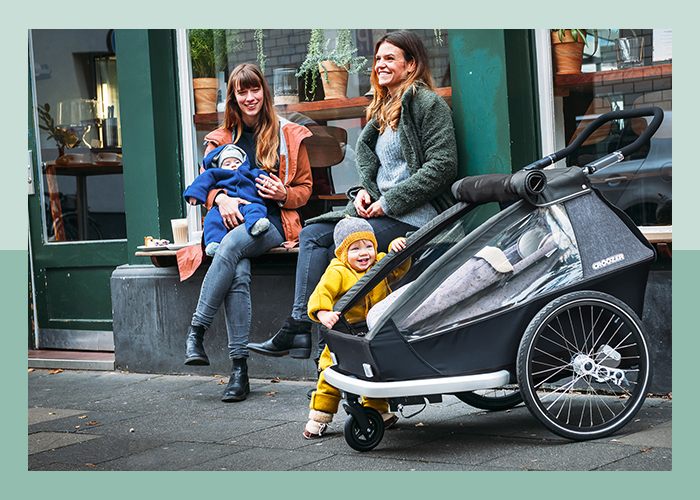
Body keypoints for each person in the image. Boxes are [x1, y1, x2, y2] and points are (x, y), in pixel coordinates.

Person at [248, 30, 458, 362]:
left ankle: (325, 357)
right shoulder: (382, 109)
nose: (380, 65)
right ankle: (302, 325)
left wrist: (387, 202)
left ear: (412, 64)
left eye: (390, 58)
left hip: (414, 217)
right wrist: (361, 193)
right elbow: (377, 173)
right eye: (377, 59)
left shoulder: (427, 104)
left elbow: (442, 166)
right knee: (313, 233)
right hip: (381, 213)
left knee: (340, 248)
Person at [180, 63, 314, 403]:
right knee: (236, 269)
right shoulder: (220, 139)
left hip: (270, 223)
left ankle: (196, 332)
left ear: (264, 93)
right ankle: (240, 370)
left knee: (228, 251)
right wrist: (221, 198)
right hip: (228, 222)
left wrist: (283, 194)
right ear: (233, 98)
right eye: (243, 92)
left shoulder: (287, 135)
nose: (250, 97)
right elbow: (201, 186)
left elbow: (305, 190)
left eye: (255, 90)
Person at [304, 217, 409, 438]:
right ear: (342, 252)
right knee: (330, 374)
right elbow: (321, 293)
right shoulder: (338, 272)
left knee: (373, 372)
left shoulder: (378, 264)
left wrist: (396, 246)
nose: (364, 253)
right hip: (344, 333)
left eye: (369, 246)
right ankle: (319, 415)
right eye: (355, 248)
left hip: (371, 331)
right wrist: (323, 313)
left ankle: (377, 411)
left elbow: (397, 267)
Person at [184, 143, 270, 257]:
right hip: (223, 208)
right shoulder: (217, 174)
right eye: (227, 164)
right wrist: (194, 194)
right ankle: (214, 243)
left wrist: (268, 184)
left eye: (237, 162)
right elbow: (202, 181)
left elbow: (263, 179)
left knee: (257, 208)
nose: (233, 166)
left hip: (247, 204)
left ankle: (256, 225)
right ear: (220, 167)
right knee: (211, 219)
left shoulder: (251, 173)